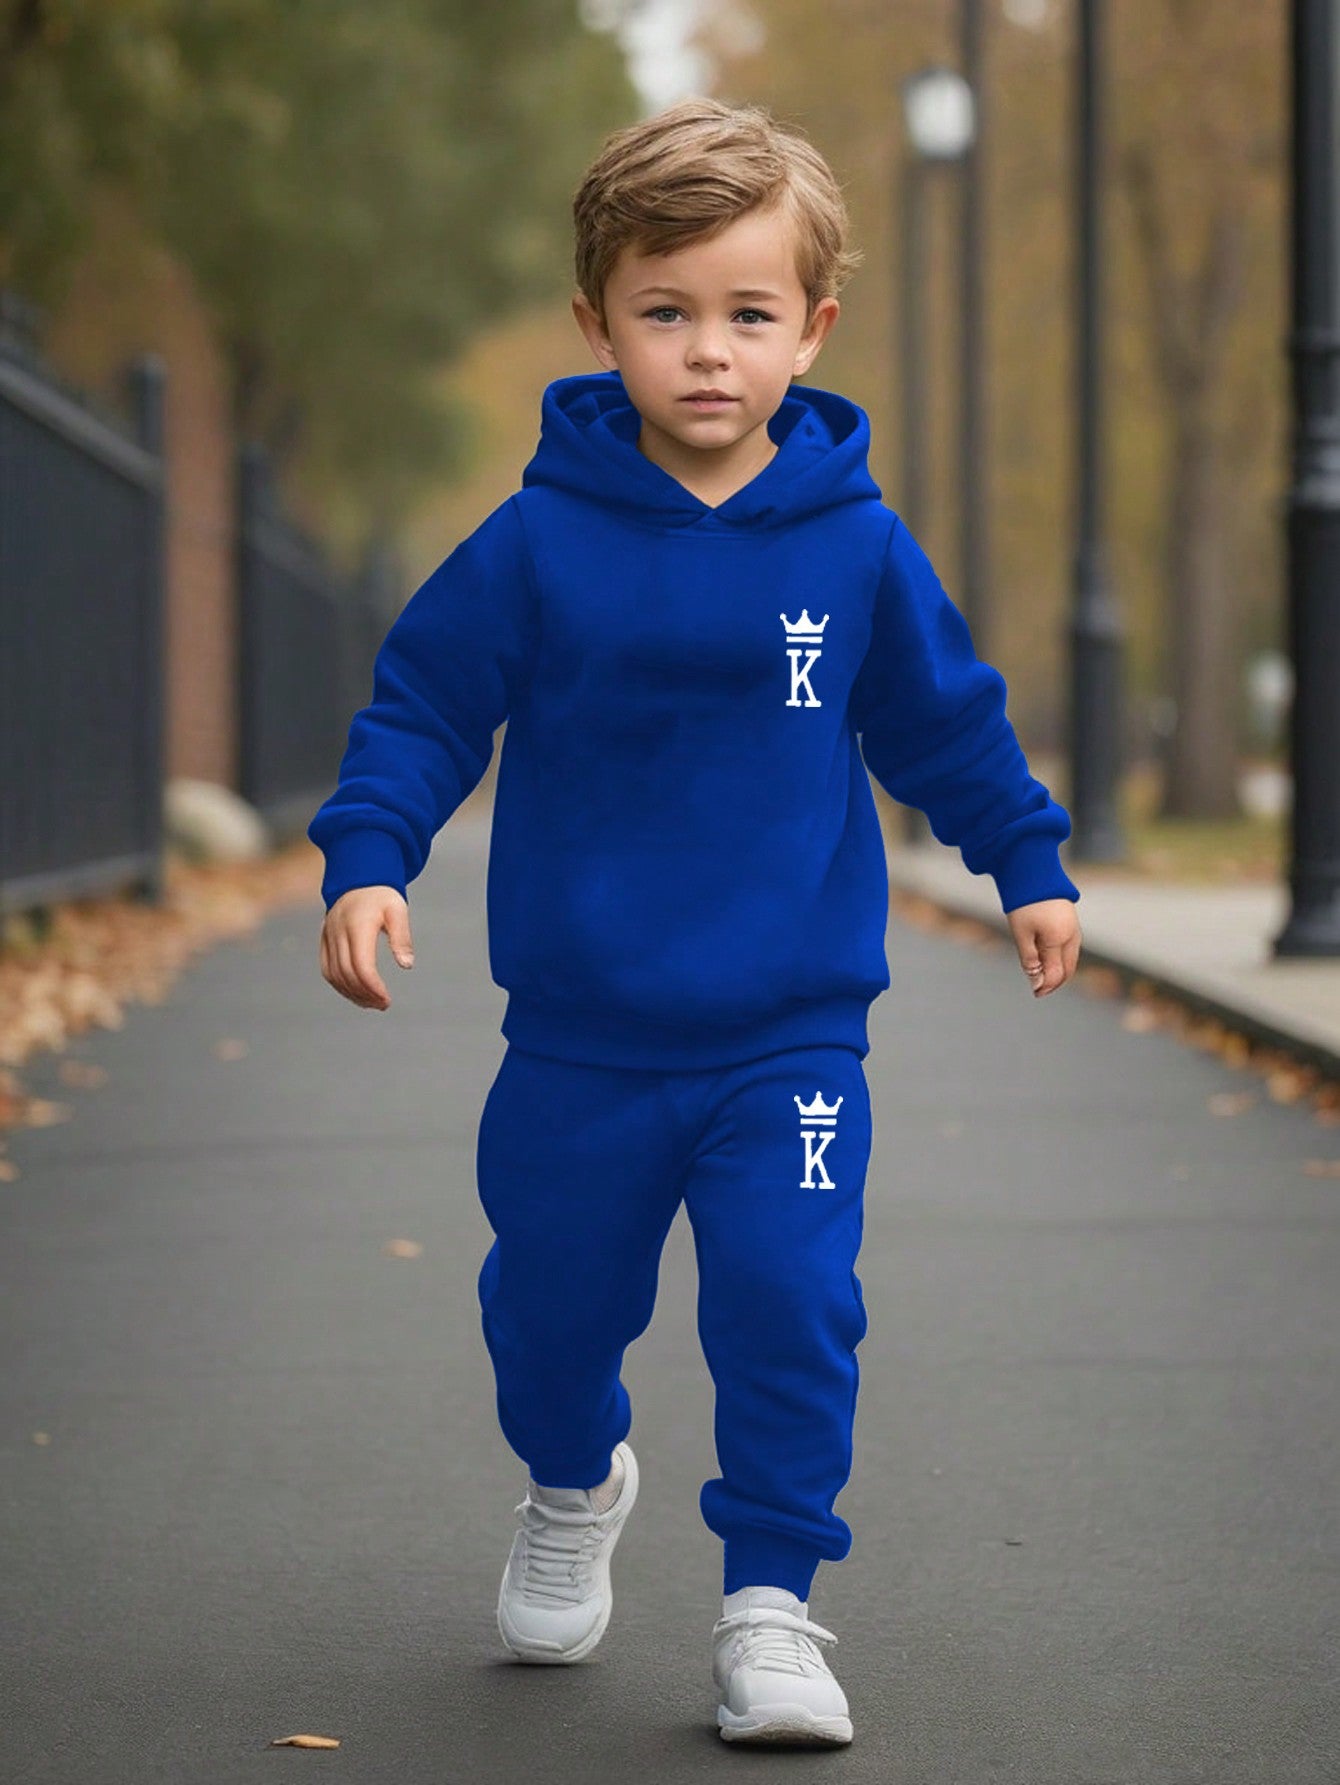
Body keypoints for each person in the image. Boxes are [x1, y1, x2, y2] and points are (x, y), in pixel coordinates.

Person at [307, 95, 1082, 1748]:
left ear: (814, 327)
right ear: (599, 325)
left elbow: (943, 721)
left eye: (747, 314)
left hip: (789, 1031)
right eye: (666, 313)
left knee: (791, 1296)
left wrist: (1028, 856)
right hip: (581, 1039)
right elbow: (424, 707)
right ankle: (573, 1476)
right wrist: (369, 854)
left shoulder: (857, 548)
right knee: (550, 1315)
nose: (708, 354)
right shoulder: (535, 544)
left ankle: (771, 1607)